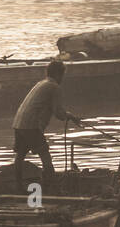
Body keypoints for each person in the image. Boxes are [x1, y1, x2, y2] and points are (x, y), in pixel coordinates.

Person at [12, 59, 81, 193]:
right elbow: (58, 113)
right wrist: (71, 116)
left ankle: (18, 186)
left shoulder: (41, 83)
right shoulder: (54, 86)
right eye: (62, 75)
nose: (62, 78)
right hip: (31, 125)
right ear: (58, 74)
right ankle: (52, 187)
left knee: (20, 155)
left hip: (18, 123)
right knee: (45, 155)